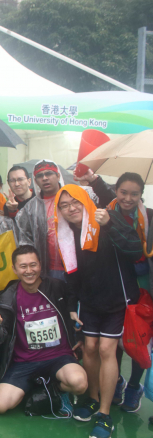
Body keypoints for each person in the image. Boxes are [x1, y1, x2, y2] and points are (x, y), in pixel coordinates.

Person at [55, 185, 142, 437]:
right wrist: (72, 306)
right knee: (90, 349)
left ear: (86, 202)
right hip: (90, 302)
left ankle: (104, 414)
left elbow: (135, 250)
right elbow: (72, 274)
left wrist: (109, 226)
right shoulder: (66, 234)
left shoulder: (107, 218)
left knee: (106, 349)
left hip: (117, 300)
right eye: (64, 205)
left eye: (75, 202)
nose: (71, 208)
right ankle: (92, 399)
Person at [0, 245, 87, 415]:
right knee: (0, 406)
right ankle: (37, 388)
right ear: (14, 269)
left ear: (40, 265)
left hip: (59, 356)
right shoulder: (8, 297)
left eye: (33, 265)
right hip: (24, 362)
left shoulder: (57, 287)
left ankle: (55, 389)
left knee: (79, 384)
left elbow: (77, 312)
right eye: (23, 266)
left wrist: (80, 337)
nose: (29, 271)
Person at [88, 171, 153, 411]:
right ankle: (114, 381)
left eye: (134, 194)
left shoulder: (150, 218)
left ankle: (134, 387)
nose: (128, 198)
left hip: (144, 286)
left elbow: (137, 251)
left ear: (141, 196)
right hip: (117, 286)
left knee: (138, 339)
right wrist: (92, 178)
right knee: (115, 342)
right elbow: (103, 192)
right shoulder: (108, 211)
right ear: (116, 192)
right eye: (123, 192)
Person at [16, 160, 71, 280]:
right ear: (35, 181)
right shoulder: (30, 208)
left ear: (58, 176)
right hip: (49, 269)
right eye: (40, 176)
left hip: (76, 265)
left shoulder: (73, 198)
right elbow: (25, 240)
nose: (45, 178)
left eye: (49, 174)